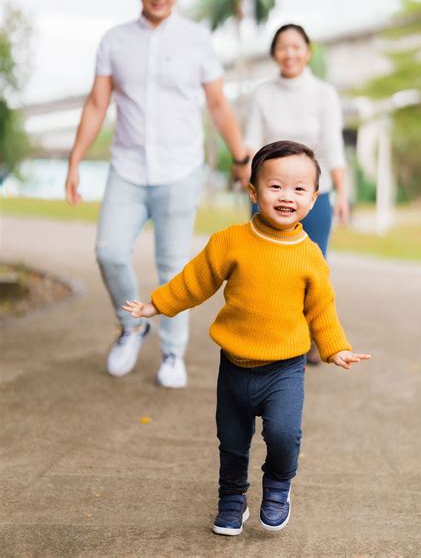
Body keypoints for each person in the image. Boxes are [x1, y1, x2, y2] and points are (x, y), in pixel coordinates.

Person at [123, 140, 370, 536]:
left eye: (298, 189)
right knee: (233, 440)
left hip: (284, 369)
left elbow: (321, 309)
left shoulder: (310, 257)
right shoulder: (230, 241)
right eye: (275, 186)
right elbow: (196, 280)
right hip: (235, 365)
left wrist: (335, 348)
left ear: (313, 198)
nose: (286, 196)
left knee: (283, 435)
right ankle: (232, 498)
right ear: (253, 192)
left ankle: (277, 485)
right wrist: (157, 305)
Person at [65, 0, 250, 388]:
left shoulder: (197, 41)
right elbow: (97, 104)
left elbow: (218, 104)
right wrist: (74, 161)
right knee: (109, 251)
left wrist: (242, 157)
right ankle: (131, 325)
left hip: (180, 169)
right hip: (126, 167)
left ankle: (172, 353)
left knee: (171, 267)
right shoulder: (114, 40)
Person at [245, 23, 349, 364]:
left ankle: (311, 336)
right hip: (270, 193)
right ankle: (271, 336)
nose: (289, 53)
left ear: (308, 51)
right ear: (274, 53)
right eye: (282, 47)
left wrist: (343, 194)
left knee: (313, 267)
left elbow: (334, 147)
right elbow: (252, 143)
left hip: (314, 195)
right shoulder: (262, 93)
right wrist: (248, 182)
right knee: (267, 266)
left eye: (296, 46)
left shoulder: (324, 94)